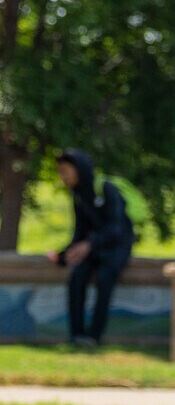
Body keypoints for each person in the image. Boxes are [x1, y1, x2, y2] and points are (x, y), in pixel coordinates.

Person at [47, 149, 135, 347]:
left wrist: (89, 243)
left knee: (105, 279)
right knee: (77, 277)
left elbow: (117, 227)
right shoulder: (78, 195)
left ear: (78, 169)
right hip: (93, 248)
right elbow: (80, 231)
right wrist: (63, 255)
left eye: (65, 171)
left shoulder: (105, 188)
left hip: (116, 248)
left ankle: (94, 337)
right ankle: (76, 335)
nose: (62, 176)